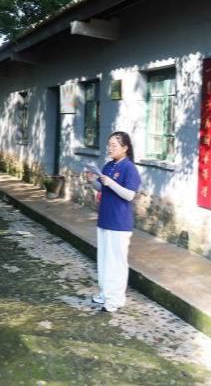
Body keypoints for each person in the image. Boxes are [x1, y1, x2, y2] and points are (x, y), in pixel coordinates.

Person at [86, 131, 141, 312]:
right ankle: (105, 293)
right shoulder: (109, 165)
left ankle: (116, 299)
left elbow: (129, 195)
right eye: (108, 145)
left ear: (125, 148)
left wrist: (111, 183)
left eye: (114, 145)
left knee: (116, 262)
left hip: (119, 222)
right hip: (105, 219)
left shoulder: (129, 168)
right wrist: (93, 181)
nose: (109, 148)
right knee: (103, 260)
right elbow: (103, 188)